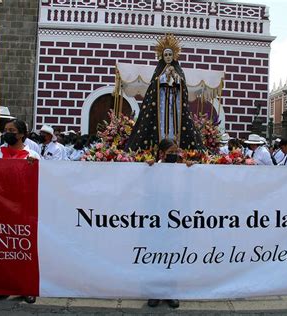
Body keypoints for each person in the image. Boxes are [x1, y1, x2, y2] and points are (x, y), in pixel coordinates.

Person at [0, 119, 39, 303]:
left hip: (25, 208)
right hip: (2, 207)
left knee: (25, 249)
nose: (7, 133)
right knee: (3, 249)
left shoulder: (31, 154)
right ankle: (1, 288)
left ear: (21, 134)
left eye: (12, 130)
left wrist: (35, 167)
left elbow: (42, 178)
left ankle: (27, 288)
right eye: (6, 130)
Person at [126, 34, 203, 151]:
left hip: (174, 106)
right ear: (162, 56)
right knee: (161, 125)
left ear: (174, 56)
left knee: (174, 124)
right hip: (161, 106)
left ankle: (175, 146)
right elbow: (153, 87)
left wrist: (174, 76)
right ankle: (161, 146)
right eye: (166, 55)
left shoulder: (178, 71)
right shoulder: (159, 72)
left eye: (170, 54)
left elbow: (183, 88)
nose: (168, 57)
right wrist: (164, 77)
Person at [146, 138, 181, 309]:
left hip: (176, 219)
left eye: (176, 152)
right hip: (156, 219)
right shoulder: (153, 167)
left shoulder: (182, 169)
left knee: (172, 255)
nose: (174, 155)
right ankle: (155, 292)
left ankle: (170, 293)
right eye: (170, 153)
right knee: (155, 255)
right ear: (161, 153)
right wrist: (148, 168)